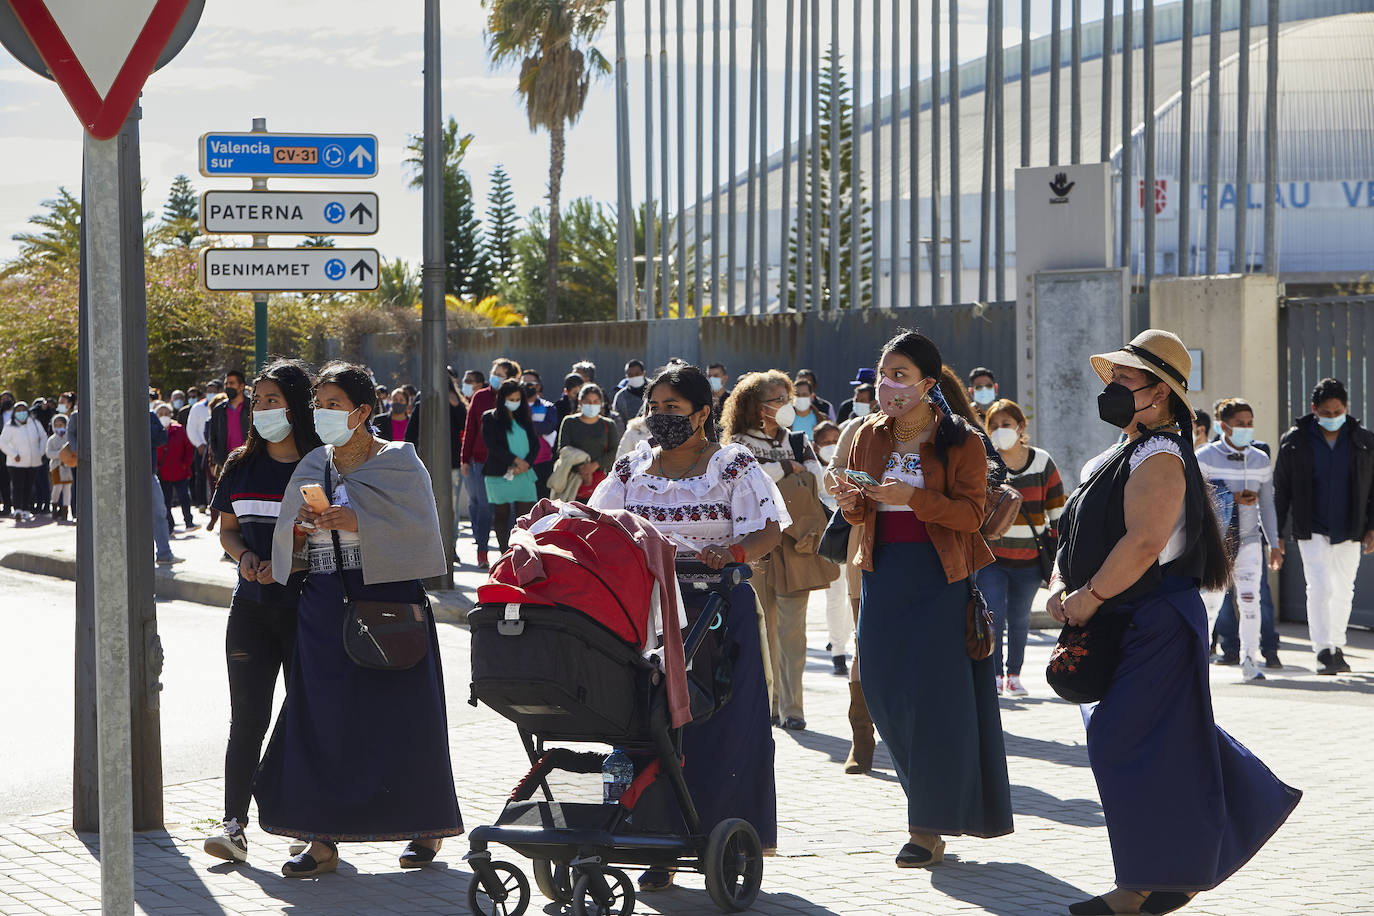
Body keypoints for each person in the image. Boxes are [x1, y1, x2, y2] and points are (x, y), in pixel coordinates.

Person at [1048, 329, 1300, 915]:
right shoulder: (1116, 454)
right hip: (1121, 617)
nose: (1111, 387)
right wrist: (1064, 586)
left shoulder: (1159, 456)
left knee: (1125, 743)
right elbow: (1073, 537)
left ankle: (1141, 887)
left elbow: (1144, 542)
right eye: (1111, 377)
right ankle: (1182, 865)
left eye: (1126, 379)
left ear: (1160, 394)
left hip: (1152, 619)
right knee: (1165, 742)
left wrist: (1086, 597)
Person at [260, 361, 461, 877]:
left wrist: (360, 521)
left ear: (363, 411)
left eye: (333, 404)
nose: (322, 413)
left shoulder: (400, 461)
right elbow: (288, 544)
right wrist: (302, 530)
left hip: (390, 599)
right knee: (322, 717)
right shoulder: (311, 465)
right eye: (318, 405)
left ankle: (427, 827)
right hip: (324, 602)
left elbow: (424, 537)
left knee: (404, 714)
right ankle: (320, 837)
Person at [589, 362, 786, 891]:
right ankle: (657, 842)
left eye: (671, 409)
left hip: (718, 612)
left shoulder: (731, 465)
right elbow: (599, 527)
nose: (659, 417)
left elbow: (768, 528)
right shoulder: (631, 469)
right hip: (647, 620)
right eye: (653, 408)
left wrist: (735, 551)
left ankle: (727, 839)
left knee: (720, 728)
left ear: (702, 414)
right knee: (649, 729)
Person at [833, 331, 1012, 868]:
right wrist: (850, 502)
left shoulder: (962, 440)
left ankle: (926, 826)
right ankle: (928, 803)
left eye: (901, 376)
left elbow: (970, 516)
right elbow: (861, 514)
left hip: (940, 580)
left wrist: (914, 497)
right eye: (884, 374)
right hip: (883, 575)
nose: (888, 386)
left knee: (936, 707)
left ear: (928, 384)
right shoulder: (867, 435)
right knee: (885, 694)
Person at [201, 359, 322, 865]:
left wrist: (291, 562)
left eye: (273, 399)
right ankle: (233, 825)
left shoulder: (323, 465)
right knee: (247, 720)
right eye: (258, 401)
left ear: (297, 404)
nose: (263, 409)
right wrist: (245, 556)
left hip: (309, 613)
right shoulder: (239, 465)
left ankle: (311, 824)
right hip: (249, 610)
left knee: (307, 718)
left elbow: (338, 536)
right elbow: (228, 529)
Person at [723, 370, 829, 731]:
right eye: (778, 399)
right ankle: (766, 702)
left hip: (796, 544)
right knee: (762, 627)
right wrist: (784, 467)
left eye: (788, 398)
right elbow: (740, 485)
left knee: (793, 631)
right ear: (757, 406)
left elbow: (821, 485)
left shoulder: (799, 440)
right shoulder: (737, 443)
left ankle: (793, 707)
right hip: (757, 546)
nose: (787, 405)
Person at [1274, 377, 1374, 676]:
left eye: (1338, 411)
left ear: (1346, 408)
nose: (1333, 418)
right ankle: (1321, 650)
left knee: (1344, 589)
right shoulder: (1294, 441)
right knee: (1319, 587)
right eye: (1326, 413)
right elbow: (1282, 491)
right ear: (1314, 409)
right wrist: (1276, 535)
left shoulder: (1364, 441)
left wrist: (1372, 527)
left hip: (1350, 529)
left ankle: (1337, 645)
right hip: (1312, 528)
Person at [981, 399, 1065, 697]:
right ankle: (993, 676)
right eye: (994, 426)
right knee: (993, 614)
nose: (1000, 431)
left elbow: (1057, 511)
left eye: (1006, 425)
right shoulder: (983, 461)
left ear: (1021, 427)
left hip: (1029, 560)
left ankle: (1013, 675)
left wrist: (1061, 553)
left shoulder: (1042, 461)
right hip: (991, 558)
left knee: (1019, 618)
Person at [1195, 399, 1284, 681]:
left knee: (1250, 600)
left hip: (1249, 540)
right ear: (1224, 426)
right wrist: (1231, 496)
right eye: (1240, 424)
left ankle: (1250, 660)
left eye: (1250, 424)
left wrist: (1275, 544)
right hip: (1216, 543)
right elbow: (1195, 500)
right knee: (1210, 603)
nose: (1246, 429)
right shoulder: (1205, 457)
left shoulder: (1260, 459)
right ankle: (1198, 663)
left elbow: (1268, 505)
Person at [461, 357, 522, 569]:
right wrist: (465, 458)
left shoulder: (516, 399)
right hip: (480, 462)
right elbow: (470, 430)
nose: (494, 377)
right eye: (493, 372)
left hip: (509, 464)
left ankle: (509, 552)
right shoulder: (480, 397)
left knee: (509, 510)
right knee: (484, 508)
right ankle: (482, 552)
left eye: (500, 374)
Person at [481, 378, 540, 554]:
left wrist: (526, 464)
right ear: (502, 398)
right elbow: (492, 445)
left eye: (517, 399)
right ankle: (504, 555)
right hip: (499, 474)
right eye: (510, 399)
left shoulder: (524, 417)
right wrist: (515, 461)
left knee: (525, 519)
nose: (514, 403)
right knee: (501, 516)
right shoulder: (490, 417)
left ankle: (523, 554)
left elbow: (535, 445)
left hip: (524, 473)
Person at [813, 421, 853, 676]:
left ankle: (843, 637)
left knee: (853, 595)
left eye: (834, 441)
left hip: (852, 532)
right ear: (816, 445)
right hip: (830, 540)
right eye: (825, 441)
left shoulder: (846, 466)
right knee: (836, 597)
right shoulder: (813, 470)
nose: (830, 445)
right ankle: (838, 650)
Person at [555, 383, 622, 472]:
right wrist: (581, 468)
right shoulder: (569, 422)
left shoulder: (609, 424)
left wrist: (595, 465)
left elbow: (614, 451)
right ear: (580, 402)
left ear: (601, 403)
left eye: (595, 401)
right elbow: (563, 449)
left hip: (601, 477)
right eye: (587, 401)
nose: (591, 405)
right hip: (573, 477)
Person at [154, 401, 197, 532]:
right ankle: (169, 526)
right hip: (163, 473)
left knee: (185, 498)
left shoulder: (179, 429)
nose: (163, 416)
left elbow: (189, 448)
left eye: (166, 413)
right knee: (166, 501)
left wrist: (186, 464)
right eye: (160, 414)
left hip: (180, 471)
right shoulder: (155, 431)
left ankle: (189, 522)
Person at [0, 401, 46, 522]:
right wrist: (14, 454)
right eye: (18, 410)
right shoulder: (10, 425)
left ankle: (26, 509)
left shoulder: (35, 423)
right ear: (15, 413)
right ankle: (18, 510)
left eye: (23, 410)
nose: (21, 413)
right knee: (17, 486)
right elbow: (2, 442)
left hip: (33, 461)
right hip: (16, 463)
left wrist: (40, 452)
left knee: (28, 486)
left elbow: (43, 437)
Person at [521, 371, 559, 499]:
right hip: (519, 462)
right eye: (523, 383)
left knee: (542, 500)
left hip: (542, 462)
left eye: (530, 384)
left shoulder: (548, 407)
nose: (526, 386)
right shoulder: (514, 407)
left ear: (538, 386)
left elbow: (548, 427)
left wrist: (525, 424)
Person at [209, 370, 251, 470]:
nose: (228, 386)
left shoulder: (252, 407)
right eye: (226, 384)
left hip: (249, 461)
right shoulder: (218, 410)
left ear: (241, 386)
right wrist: (218, 460)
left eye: (231, 383)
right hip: (226, 463)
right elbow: (213, 437)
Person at [187, 381, 216, 510]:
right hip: (201, 447)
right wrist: (199, 445)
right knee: (201, 475)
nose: (211, 393)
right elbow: (191, 428)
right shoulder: (197, 407)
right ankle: (202, 503)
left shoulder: (222, 406)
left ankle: (216, 504)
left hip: (216, 447)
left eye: (214, 390)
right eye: (209, 391)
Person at [44, 413, 73, 521]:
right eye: (56, 425)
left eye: (61, 424)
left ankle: (65, 511)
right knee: (57, 488)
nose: (58, 427)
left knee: (67, 489)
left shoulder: (69, 438)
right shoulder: (51, 439)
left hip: (67, 466)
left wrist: (66, 456)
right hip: (56, 466)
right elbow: (49, 453)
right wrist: (60, 454)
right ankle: (55, 506)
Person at [611, 359, 648, 427]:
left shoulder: (655, 390)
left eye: (637, 374)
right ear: (626, 376)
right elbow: (618, 421)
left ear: (644, 374)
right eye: (630, 375)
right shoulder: (621, 397)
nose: (634, 377)